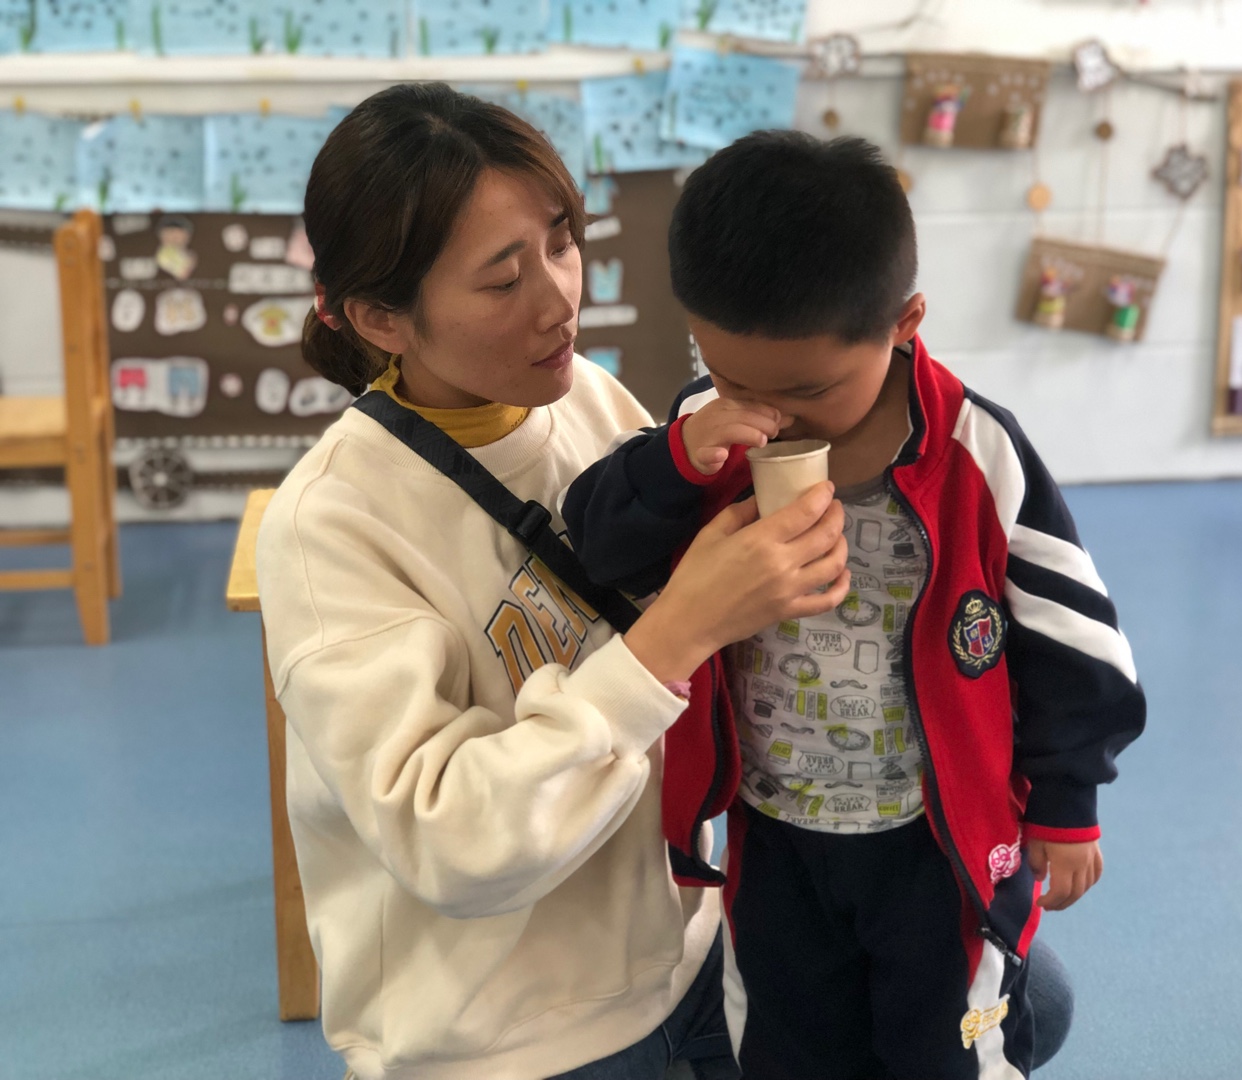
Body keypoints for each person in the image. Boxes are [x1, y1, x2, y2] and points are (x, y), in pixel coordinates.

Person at [254, 83, 859, 1080]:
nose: (558, 299)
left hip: (692, 949)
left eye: (562, 243)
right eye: (502, 281)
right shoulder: (332, 525)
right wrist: (673, 638)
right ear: (380, 317)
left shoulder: (586, 400)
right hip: (512, 1038)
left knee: (1015, 1006)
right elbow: (448, 839)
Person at [562, 132, 1146, 1079]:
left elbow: (1073, 637)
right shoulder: (706, 428)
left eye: (807, 389)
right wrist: (678, 457)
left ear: (904, 322)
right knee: (786, 1047)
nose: (770, 413)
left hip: (935, 846)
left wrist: (1069, 802)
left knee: (948, 1051)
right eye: (732, 375)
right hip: (774, 833)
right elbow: (598, 545)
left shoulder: (978, 454)